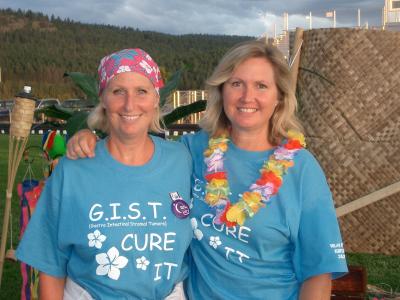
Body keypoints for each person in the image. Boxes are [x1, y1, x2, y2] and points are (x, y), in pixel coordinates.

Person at [66, 41, 348, 299]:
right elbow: (134, 147)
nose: (247, 97)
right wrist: (91, 138)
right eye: (236, 83)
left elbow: (318, 273)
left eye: (261, 86)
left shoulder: (302, 169)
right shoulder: (192, 151)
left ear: (279, 98)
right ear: (222, 90)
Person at [16, 48, 193, 300]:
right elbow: (50, 263)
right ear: (103, 99)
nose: (129, 104)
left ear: (156, 99)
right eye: (118, 91)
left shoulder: (182, 160)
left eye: (141, 91)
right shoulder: (73, 169)